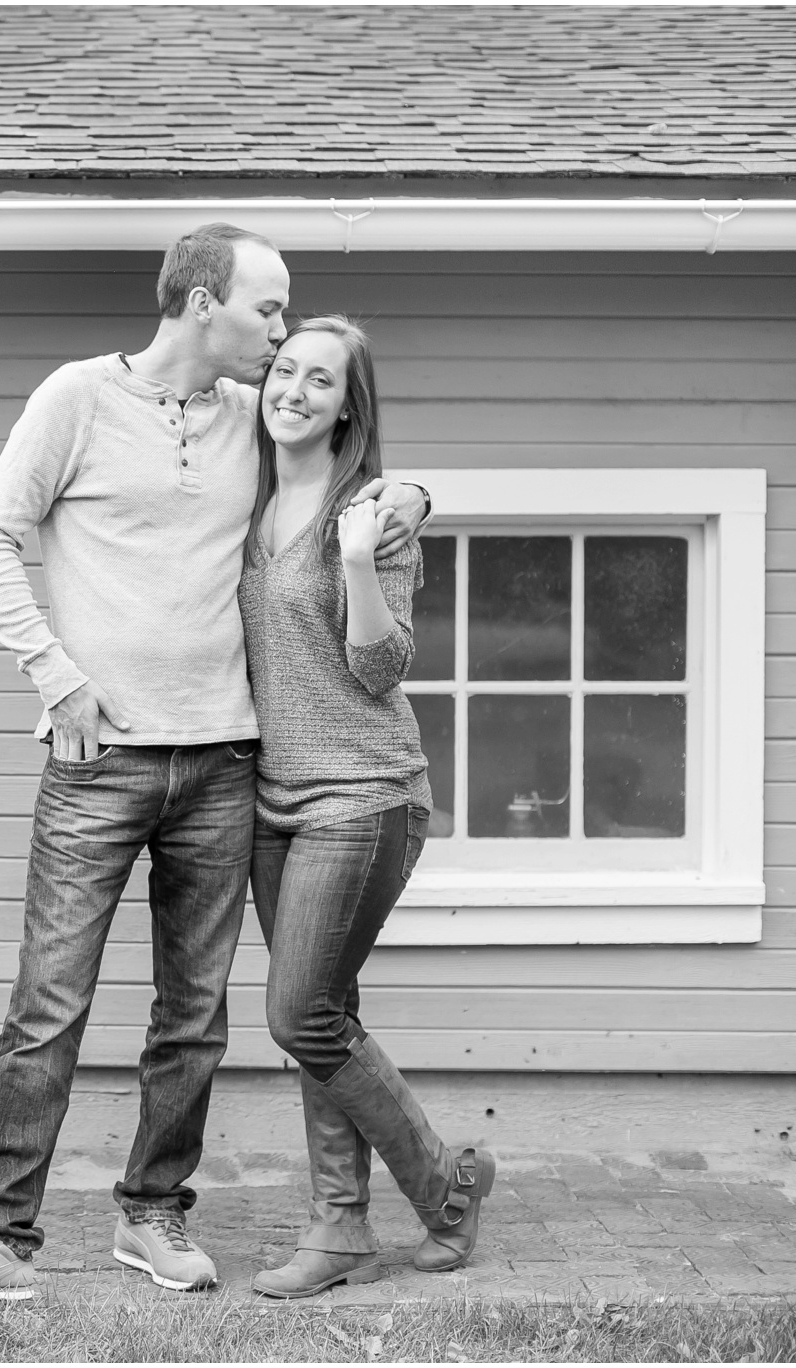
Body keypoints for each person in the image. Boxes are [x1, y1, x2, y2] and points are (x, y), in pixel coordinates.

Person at [0, 225, 432, 1314]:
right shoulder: (75, 400)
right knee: (47, 1006)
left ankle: (153, 1212)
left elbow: (348, 459)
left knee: (192, 1013)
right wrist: (55, 675)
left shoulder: (252, 411)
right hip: (97, 761)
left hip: (227, 761)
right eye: (266, 310)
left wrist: (411, 498)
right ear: (201, 304)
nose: (280, 334)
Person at [237, 315, 496, 1299]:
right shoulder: (242, 491)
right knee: (326, 1014)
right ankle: (339, 1230)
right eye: (283, 369)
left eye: (319, 378)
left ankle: (442, 1188)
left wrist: (353, 559)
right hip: (271, 800)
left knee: (299, 1014)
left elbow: (381, 665)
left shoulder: (374, 512)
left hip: (364, 794)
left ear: (348, 402)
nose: (293, 388)